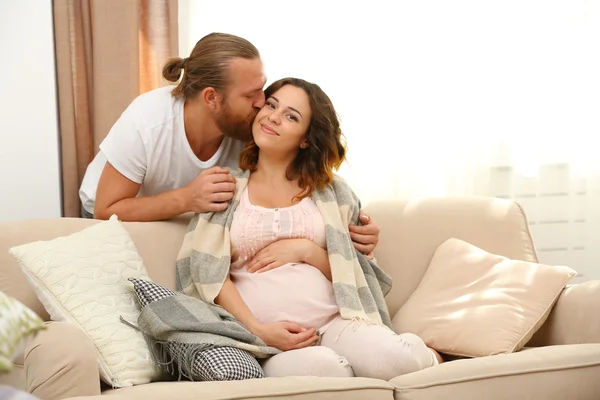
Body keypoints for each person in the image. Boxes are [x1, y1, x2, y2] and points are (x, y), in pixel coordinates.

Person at [210, 77, 443, 380]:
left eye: (291, 116)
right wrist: (259, 330)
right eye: (271, 104)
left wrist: (307, 251)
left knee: (397, 361)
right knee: (327, 369)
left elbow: (358, 273)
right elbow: (209, 273)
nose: (274, 117)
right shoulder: (226, 187)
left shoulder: (333, 193)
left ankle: (427, 355)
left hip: (337, 321)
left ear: (306, 138)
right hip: (267, 343)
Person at [78, 32, 380, 256]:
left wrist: (354, 227)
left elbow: (302, 178)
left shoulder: (254, 127)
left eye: (262, 89)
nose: (262, 104)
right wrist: (186, 199)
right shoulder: (147, 120)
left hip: (190, 221)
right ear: (212, 98)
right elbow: (107, 209)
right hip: (109, 218)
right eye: (251, 95)